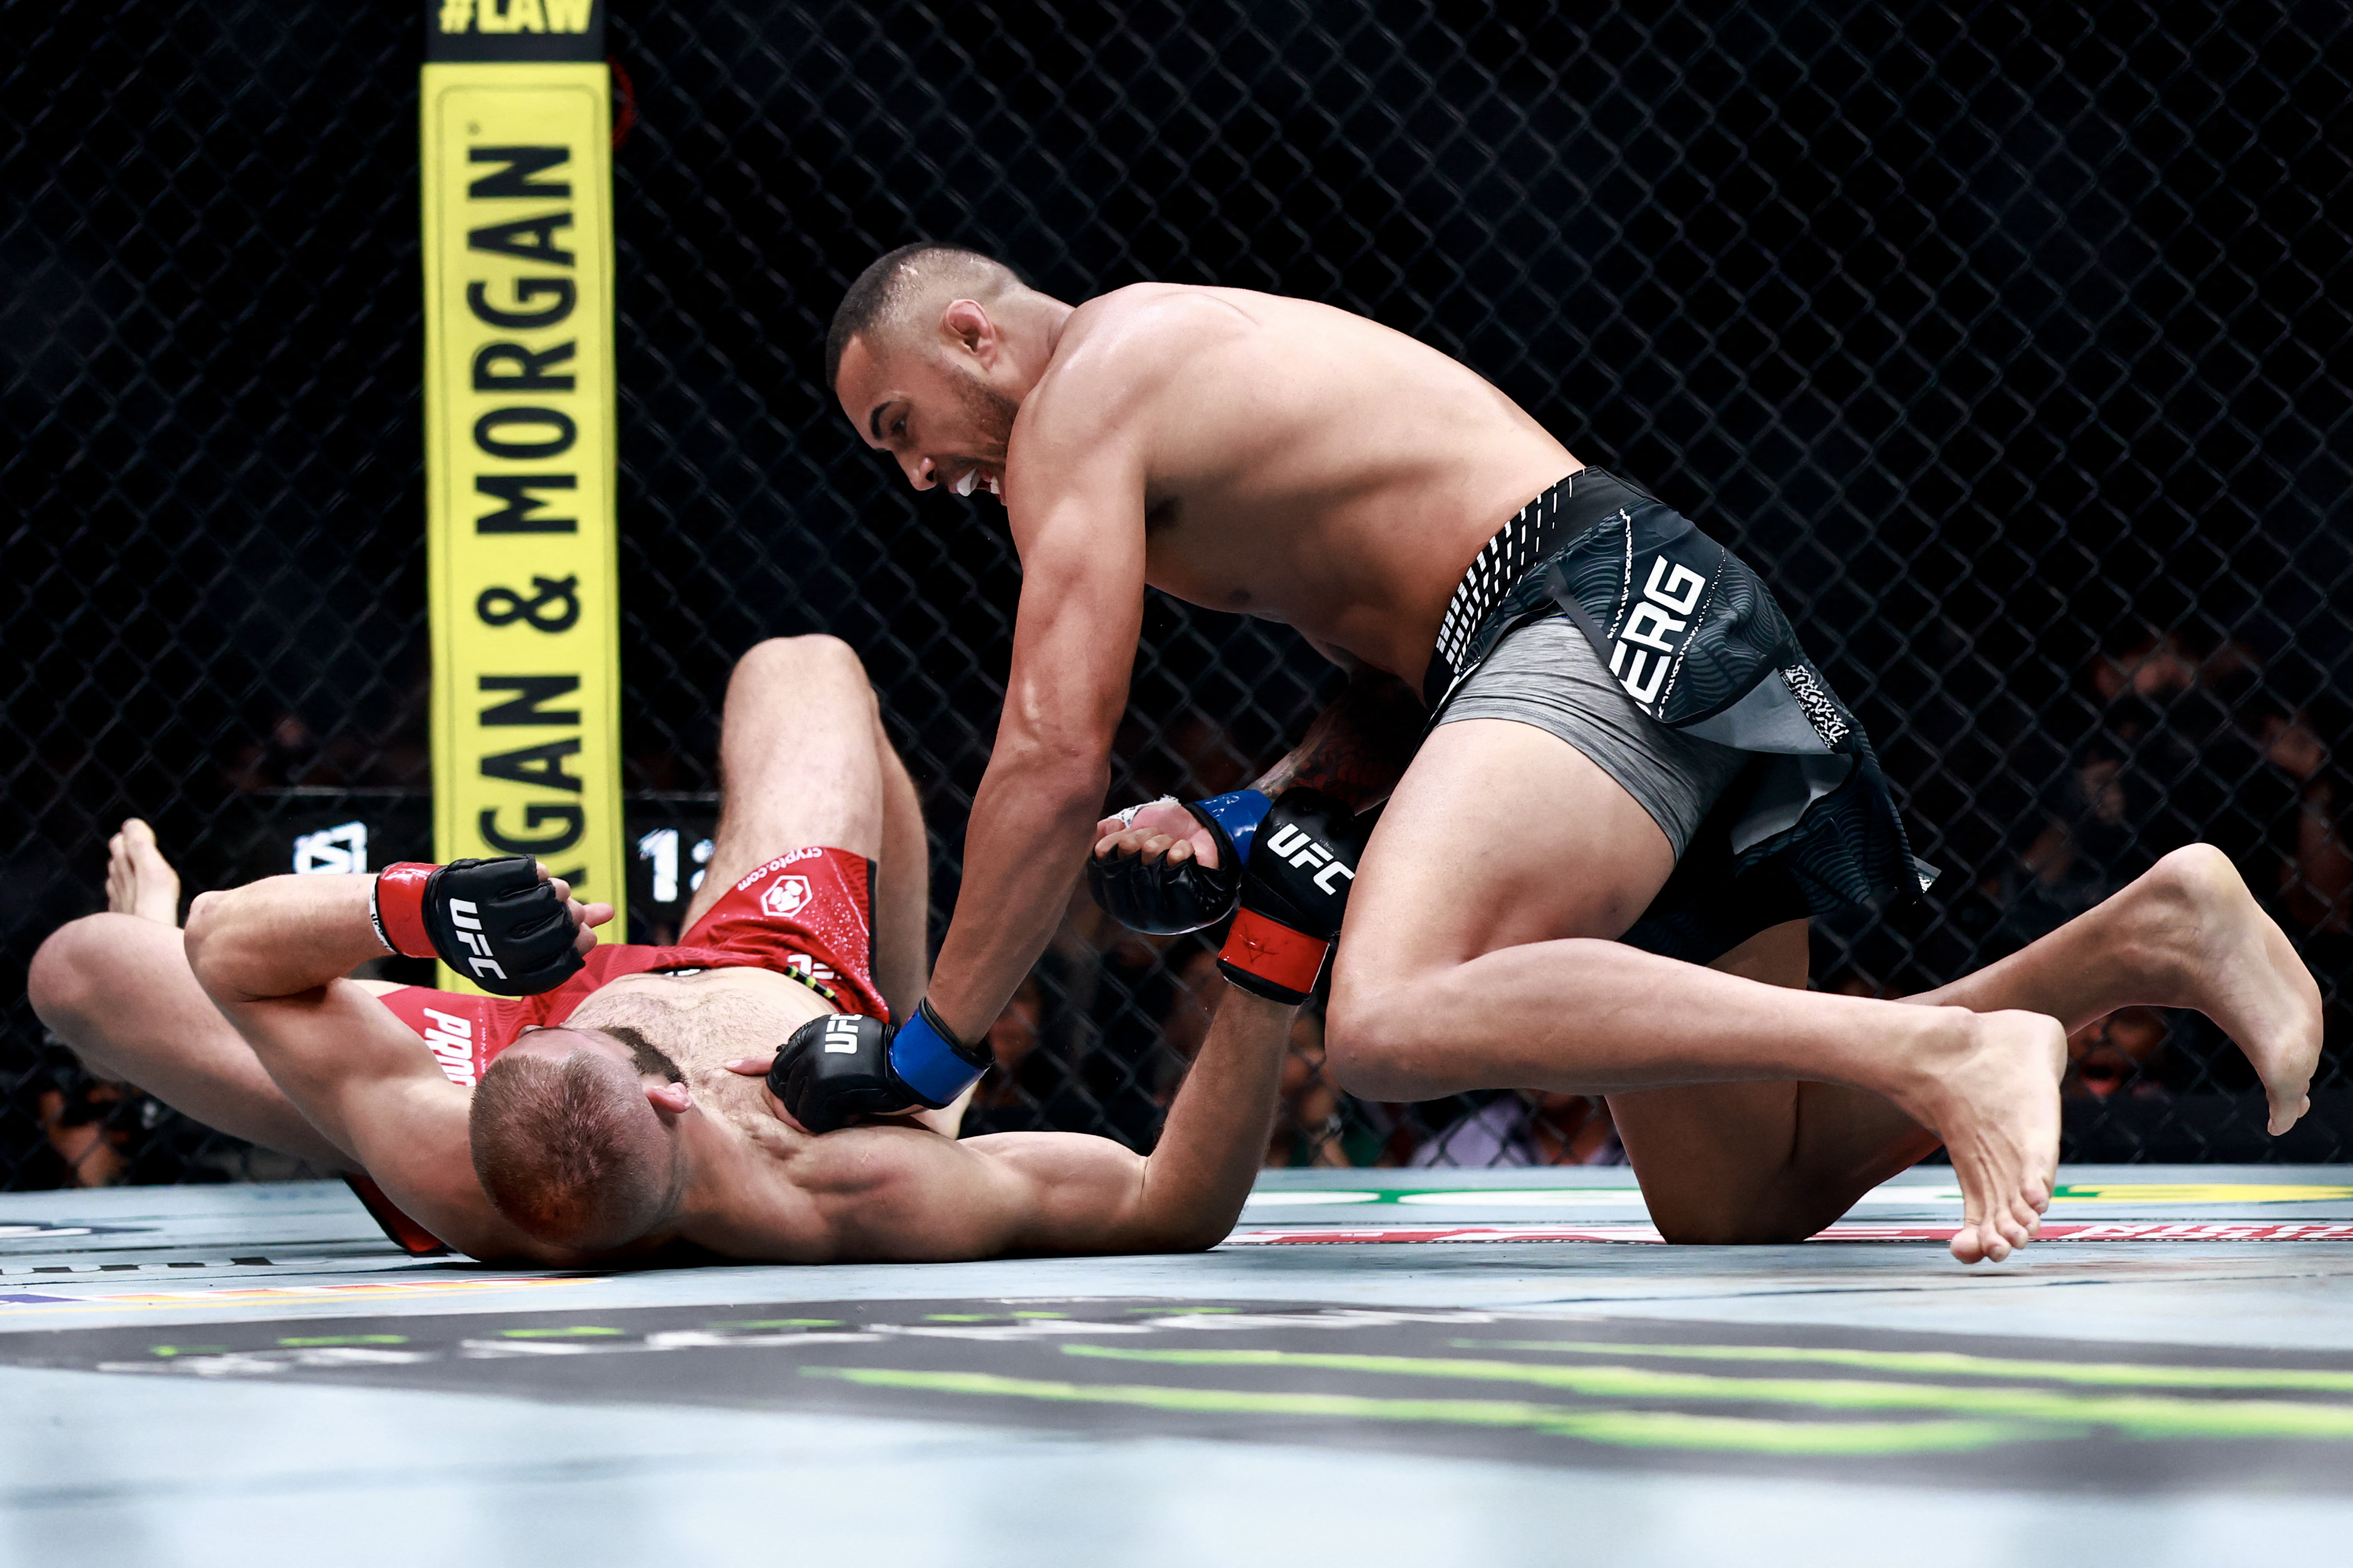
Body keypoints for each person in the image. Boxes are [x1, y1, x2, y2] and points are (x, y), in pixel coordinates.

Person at [818, 241, 2325, 1264]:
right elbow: (1390, 681)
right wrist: (1250, 808)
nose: (915, 470)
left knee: (1394, 1016)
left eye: (901, 421)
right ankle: (2153, 928)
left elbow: (1047, 752)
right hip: (1617, 634)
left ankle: (1940, 1044)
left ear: (974, 330)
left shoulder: (1089, 385)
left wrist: (928, 1049)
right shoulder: (1192, 384)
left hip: (1584, 614)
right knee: (1747, 1196)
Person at [29, 636, 1356, 1265]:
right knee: (810, 666)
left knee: (85, 967)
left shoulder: (455, 1148)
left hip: (510, 1084)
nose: (593, 1000)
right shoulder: (861, 1188)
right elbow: (1169, 1205)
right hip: (781, 970)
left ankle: (304, 1070)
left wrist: (428, 910)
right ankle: (908, 1029)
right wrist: (1269, 962)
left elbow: (225, 938)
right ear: (670, 1091)